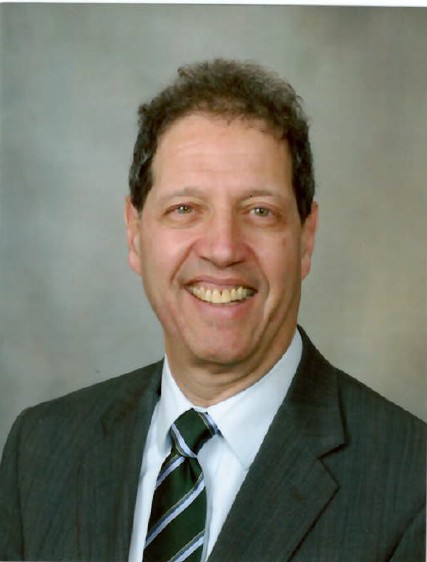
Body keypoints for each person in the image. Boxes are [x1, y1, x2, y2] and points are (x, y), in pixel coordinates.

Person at [0, 59, 425, 562]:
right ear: (135, 234)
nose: (223, 249)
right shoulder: (40, 451)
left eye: (260, 211)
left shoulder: (412, 485)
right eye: (185, 209)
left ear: (306, 239)